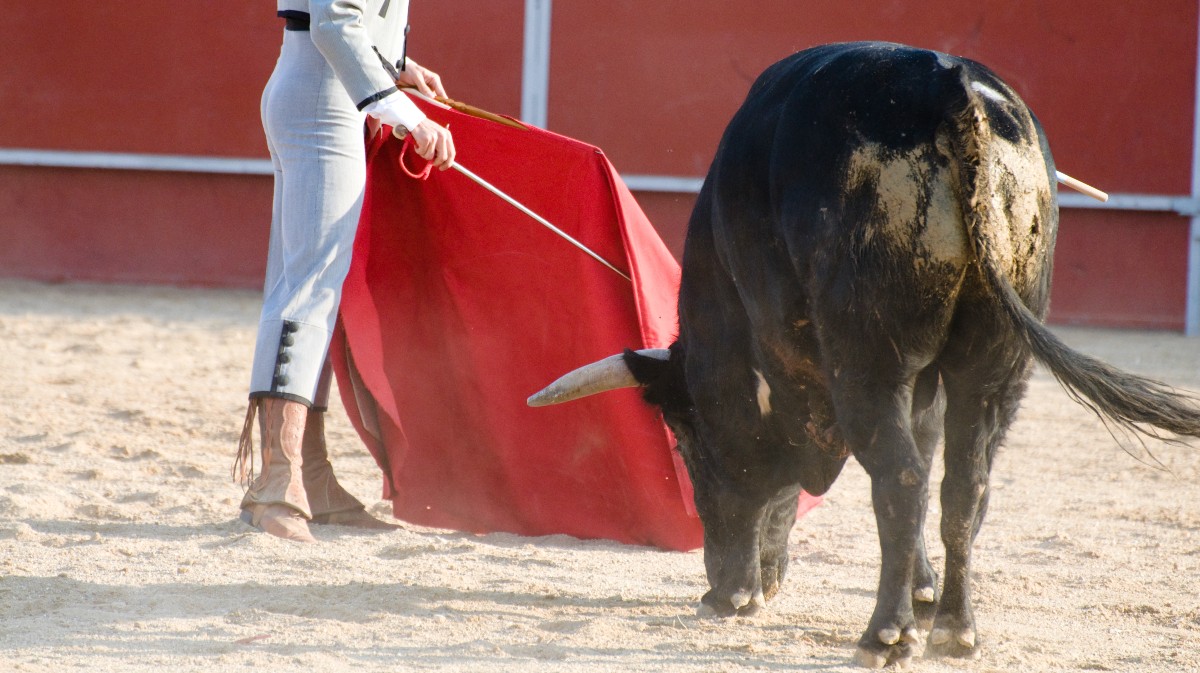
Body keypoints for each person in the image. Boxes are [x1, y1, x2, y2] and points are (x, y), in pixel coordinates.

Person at [233, 0, 456, 543]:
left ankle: (307, 476)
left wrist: (395, 66)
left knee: (310, 290)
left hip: (324, 92)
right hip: (323, 100)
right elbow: (334, 21)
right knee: (307, 291)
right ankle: (275, 482)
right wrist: (404, 112)